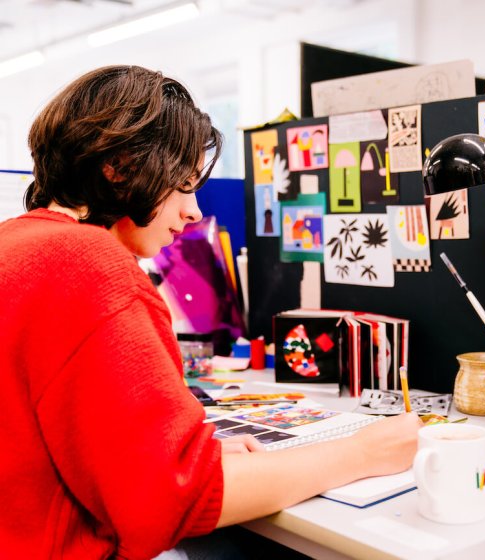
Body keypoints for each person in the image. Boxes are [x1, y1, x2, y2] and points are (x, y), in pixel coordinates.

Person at [0, 65, 420, 559]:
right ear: (119, 167)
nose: (195, 212)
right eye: (182, 184)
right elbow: (173, 498)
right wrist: (359, 453)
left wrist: (195, 456)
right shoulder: (89, 264)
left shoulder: (16, 244)